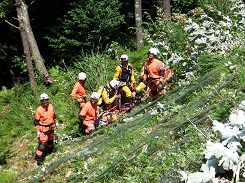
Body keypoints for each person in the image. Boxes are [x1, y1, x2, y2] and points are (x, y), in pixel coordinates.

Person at [34, 93, 59, 165]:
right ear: (41, 101)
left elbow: (54, 115)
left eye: (46, 100)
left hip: (51, 126)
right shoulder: (38, 110)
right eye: (43, 100)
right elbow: (36, 122)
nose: (45, 102)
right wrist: (38, 131)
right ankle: (38, 157)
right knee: (42, 144)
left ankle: (50, 149)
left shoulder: (50, 106)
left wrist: (56, 122)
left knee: (50, 139)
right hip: (43, 128)